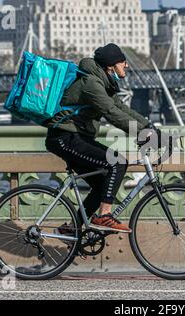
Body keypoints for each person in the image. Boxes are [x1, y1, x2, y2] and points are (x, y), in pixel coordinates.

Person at [45, 43, 158, 233]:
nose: (127, 65)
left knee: (101, 184)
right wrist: (142, 133)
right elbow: (110, 112)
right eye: (123, 62)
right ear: (111, 65)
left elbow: (122, 108)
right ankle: (104, 215)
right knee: (118, 163)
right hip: (65, 137)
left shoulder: (103, 82)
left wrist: (148, 127)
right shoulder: (92, 84)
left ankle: (73, 228)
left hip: (76, 137)